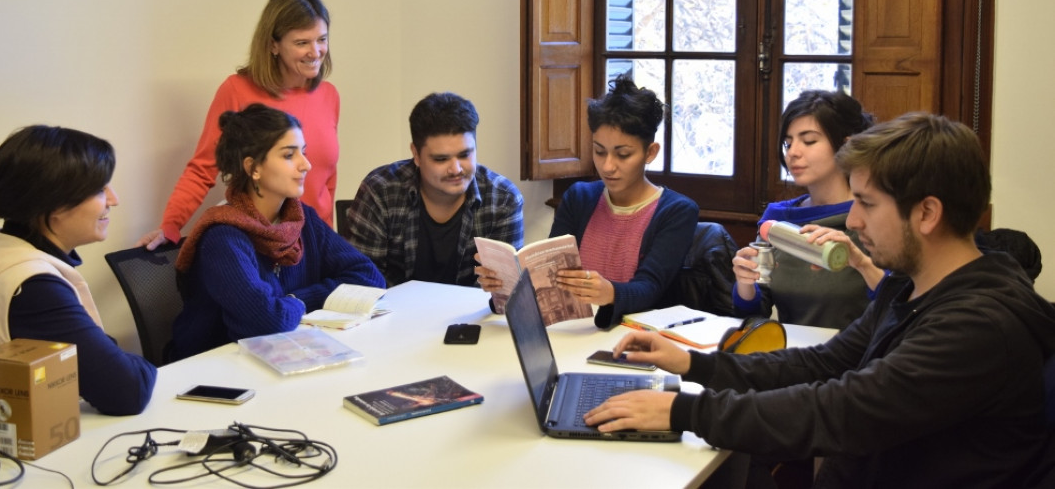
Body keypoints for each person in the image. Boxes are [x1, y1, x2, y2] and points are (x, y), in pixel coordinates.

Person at [585, 112, 1055, 488]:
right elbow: (819, 365)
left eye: (867, 204)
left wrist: (681, 412)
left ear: (927, 213)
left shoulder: (978, 326)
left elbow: (839, 410)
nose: (852, 221)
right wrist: (693, 366)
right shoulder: (908, 288)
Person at [0, 126, 156, 417]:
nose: (113, 200)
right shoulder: (34, 287)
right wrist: (142, 362)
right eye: (100, 189)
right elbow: (127, 390)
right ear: (55, 204)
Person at [480, 74, 698, 329]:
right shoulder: (579, 197)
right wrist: (503, 292)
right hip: (574, 332)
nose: (607, 166)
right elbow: (550, 281)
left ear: (650, 152)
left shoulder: (677, 211)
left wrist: (610, 293)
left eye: (623, 154)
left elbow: (650, 288)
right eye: (599, 151)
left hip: (639, 339)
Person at [170, 104, 383, 360]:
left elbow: (370, 278)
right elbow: (267, 321)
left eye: (303, 152)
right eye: (289, 155)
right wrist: (306, 302)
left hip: (285, 352)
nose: (306, 165)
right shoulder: (223, 237)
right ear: (253, 168)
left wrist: (295, 299)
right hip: (213, 369)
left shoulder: (303, 219)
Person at [137, 0, 340, 249]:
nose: (316, 52)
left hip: (314, 242)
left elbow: (327, 178)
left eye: (322, 39)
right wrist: (171, 225)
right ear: (273, 45)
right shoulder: (237, 90)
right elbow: (202, 168)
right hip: (260, 244)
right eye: (302, 43)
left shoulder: (329, 95)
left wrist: (330, 241)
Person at [731, 90, 884, 328]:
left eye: (809, 141)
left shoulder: (876, 216)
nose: (793, 153)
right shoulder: (777, 219)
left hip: (859, 358)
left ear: (847, 145)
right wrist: (745, 284)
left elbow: (900, 302)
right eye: (788, 143)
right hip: (793, 356)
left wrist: (862, 263)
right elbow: (754, 314)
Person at [347, 92, 524, 287]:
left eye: (465, 155)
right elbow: (364, 281)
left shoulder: (503, 200)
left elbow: (503, 295)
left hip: (472, 315)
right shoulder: (380, 191)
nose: (456, 169)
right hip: (395, 313)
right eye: (441, 159)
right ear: (416, 154)